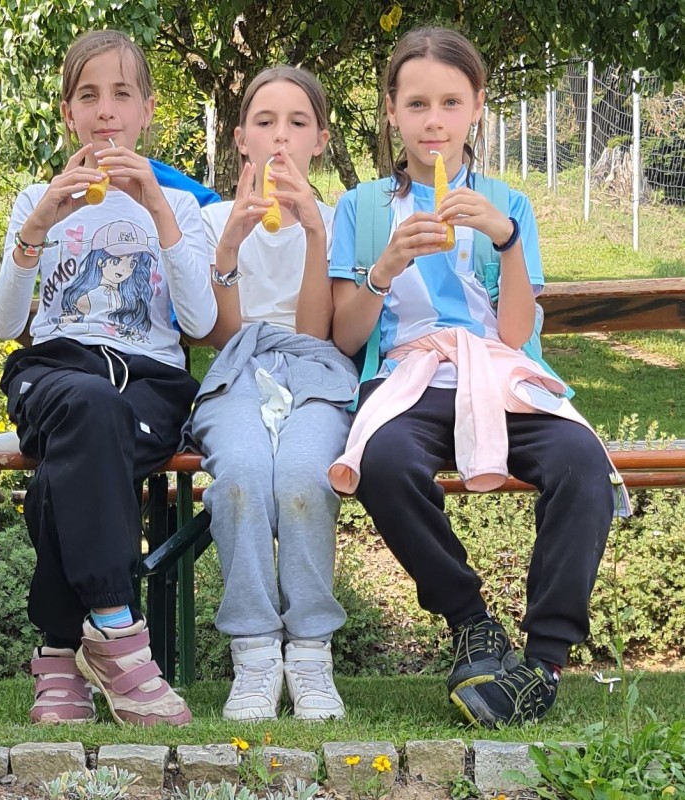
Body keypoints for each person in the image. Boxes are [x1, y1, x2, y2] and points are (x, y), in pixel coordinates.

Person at [327, 27, 629, 727]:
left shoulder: (507, 204)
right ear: (392, 112)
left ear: (476, 108)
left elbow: (518, 333)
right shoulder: (361, 208)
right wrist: (385, 267)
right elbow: (346, 335)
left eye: (449, 103)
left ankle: (543, 660)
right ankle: (470, 621)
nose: (433, 122)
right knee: (383, 462)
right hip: (407, 376)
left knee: (582, 463)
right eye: (416, 105)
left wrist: (507, 240)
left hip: (499, 373)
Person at [0, 29, 217, 726]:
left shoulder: (177, 206)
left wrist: (154, 209)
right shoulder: (38, 196)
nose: (106, 110)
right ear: (68, 113)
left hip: (149, 383)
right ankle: (117, 634)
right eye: (88, 95)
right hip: (55, 371)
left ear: (148, 110)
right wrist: (39, 224)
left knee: (76, 456)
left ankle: (60, 650)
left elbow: (201, 319)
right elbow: (5, 323)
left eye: (122, 94)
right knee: (86, 405)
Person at [183, 66, 358, 721]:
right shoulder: (207, 220)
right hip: (235, 370)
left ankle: (310, 654)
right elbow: (223, 334)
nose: (279, 139)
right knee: (240, 476)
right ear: (240, 140)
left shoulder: (340, 220)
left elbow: (318, 334)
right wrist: (231, 240)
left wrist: (313, 232)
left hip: (314, 371)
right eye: (264, 123)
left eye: (296, 123)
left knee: (304, 478)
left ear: (319, 139)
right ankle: (255, 655)